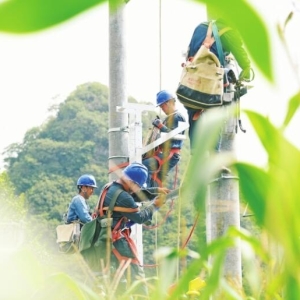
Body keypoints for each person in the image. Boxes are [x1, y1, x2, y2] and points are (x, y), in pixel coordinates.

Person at [98, 162, 169, 298]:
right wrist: (155, 205)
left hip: (104, 239)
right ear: (131, 183)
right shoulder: (123, 197)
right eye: (137, 186)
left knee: (118, 281)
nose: (136, 189)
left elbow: (135, 196)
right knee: (137, 277)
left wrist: (155, 191)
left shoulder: (110, 187)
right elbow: (141, 217)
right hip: (116, 241)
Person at [184, 18, 252, 154]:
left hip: (191, 79)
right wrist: (246, 70)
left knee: (194, 112)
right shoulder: (230, 31)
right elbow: (242, 57)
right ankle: (215, 156)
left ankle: (195, 153)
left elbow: (190, 52)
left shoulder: (200, 26)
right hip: (211, 80)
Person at [142, 90, 186, 187]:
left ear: (170, 102)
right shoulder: (168, 118)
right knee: (156, 177)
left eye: (163, 106)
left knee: (144, 165)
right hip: (165, 153)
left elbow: (174, 136)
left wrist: (160, 126)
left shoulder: (177, 117)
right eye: (161, 107)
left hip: (171, 153)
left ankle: (146, 191)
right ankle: (153, 194)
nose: (162, 109)